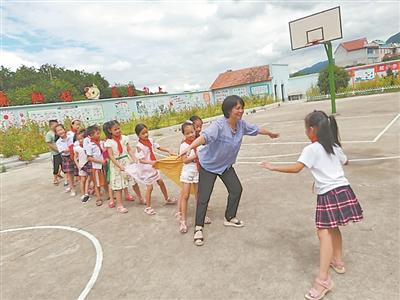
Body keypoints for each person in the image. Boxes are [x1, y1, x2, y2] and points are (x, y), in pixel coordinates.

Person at [260, 110, 363, 300]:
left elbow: (296, 168)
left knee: (323, 233)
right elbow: (345, 161)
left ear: (313, 129)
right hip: (343, 190)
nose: (305, 131)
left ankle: (323, 280)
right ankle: (338, 261)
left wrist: (273, 166)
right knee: (333, 228)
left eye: (306, 128)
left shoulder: (312, 149)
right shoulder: (332, 146)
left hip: (329, 194)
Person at [182, 95, 279, 246]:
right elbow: (204, 137)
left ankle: (229, 217)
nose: (241, 111)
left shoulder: (241, 124)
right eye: (237, 108)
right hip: (209, 165)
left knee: (236, 189)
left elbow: (256, 129)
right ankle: (198, 227)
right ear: (229, 110)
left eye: (242, 107)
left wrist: (270, 133)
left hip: (225, 166)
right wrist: (190, 147)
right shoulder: (219, 125)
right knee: (204, 197)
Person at [131, 123, 177, 215]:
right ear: (138, 135)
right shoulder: (139, 146)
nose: (146, 135)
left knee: (160, 182)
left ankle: (167, 199)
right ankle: (148, 207)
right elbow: (141, 160)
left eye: (146, 132)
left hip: (153, 166)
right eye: (143, 133)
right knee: (150, 187)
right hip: (146, 168)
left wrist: (168, 150)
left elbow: (158, 147)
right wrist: (150, 162)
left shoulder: (151, 140)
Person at [103, 120, 141, 213]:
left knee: (134, 181)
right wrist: (119, 165)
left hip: (126, 162)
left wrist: (134, 158)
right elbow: (111, 156)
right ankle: (120, 205)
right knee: (118, 186)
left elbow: (129, 149)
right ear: (109, 130)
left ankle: (140, 198)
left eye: (118, 128)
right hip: (116, 165)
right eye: (115, 129)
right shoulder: (109, 142)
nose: (118, 131)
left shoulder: (125, 138)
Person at [178, 121, 199, 233]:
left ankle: (201, 216)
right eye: (187, 133)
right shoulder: (184, 146)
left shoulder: (198, 142)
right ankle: (183, 221)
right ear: (184, 135)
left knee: (198, 196)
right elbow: (185, 161)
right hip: (187, 172)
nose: (191, 135)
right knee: (185, 196)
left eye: (192, 132)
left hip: (197, 171)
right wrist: (196, 156)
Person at [85, 125, 109, 207]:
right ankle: (98, 198)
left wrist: (106, 158)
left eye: (99, 133)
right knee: (97, 184)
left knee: (105, 181)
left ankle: (108, 195)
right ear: (91, 135)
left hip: (104, 166)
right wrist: (100, 161)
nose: (99, 135)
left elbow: (104, 152)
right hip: (97, 167)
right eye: (97, 133)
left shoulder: (101, 143)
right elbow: (89, 158)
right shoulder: (90, 145)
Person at [55, 124, 76, 196]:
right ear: (56, 133)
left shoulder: (71, 137)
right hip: (66, 158)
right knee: (69, 174)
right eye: (58, 131)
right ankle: (72, 188)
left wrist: (71, 148)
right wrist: (71, 148)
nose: (60, 131)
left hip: (75, 156)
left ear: (64, 129)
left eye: (61, 129)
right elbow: (64, 151)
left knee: (76, 172)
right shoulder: (58, 142)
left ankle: (71, 186)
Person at [73, 129, 91, 203]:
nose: (81, 140)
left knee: (89, 179)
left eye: (82, 138)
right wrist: (78, 166)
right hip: (82, 166)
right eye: (79, 139)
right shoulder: (77, 148)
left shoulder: (89, 146)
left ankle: (86, 193)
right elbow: (75, 158)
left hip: (89, 165)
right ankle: (83, 194)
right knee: (83, 180)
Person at [45, 119, 62, 185]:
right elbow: (49, 144)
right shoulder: (49, 134)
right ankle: (55, 179)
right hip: (55, 153)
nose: (56, 126)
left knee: (63, 165)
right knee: (56, 166)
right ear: (50, 126)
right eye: (55, 125)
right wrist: (57, 149)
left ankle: (59, 174)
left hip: (61, 152)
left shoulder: (57, 132)